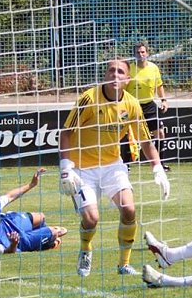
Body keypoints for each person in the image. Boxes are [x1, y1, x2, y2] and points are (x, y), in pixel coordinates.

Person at [59, 59, 171, 277]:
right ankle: (85, 250)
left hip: (112, 166)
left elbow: (146, 141)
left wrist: (158, 168)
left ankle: (124, 264)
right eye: (111, 70)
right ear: (105, 75)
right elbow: (66, 132)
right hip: (82, 168)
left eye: (121, 72)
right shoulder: (89, 98)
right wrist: (66, 167)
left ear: (127, 79)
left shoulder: (131, 104)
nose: (116, 75)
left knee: (129, 210)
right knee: (91, 219)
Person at [0, 168, 67, 254]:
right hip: (16, 241)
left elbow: (10, 196)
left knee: (40, 217)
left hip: (10, 224)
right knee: (58, 231)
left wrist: (31, 185)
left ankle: (43, 238)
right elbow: (8, 251)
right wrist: (13, 244)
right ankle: (46, 242)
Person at [126, 41, 170, 170]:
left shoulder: (153, 68)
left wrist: (163, 100)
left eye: (142, 52)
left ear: (147, 53)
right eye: (138, 52)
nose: (140, 54)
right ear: (134, 54)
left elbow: (159, 85)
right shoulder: (129, 68)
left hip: (149, 105)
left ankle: (160, 163)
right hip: (132, 106)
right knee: (126, 135)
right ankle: (125, 165)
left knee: (160, 133)